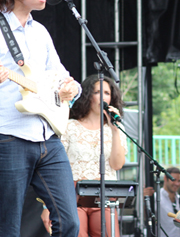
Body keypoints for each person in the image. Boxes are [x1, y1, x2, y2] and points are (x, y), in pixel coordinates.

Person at [0, 0, 81, 237]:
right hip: (9, 136)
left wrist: (72, 89)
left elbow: (62, 77)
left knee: (69, 222)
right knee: (10, 227)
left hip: (48, 138)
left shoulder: (40, 32)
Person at [40, 74, 128, 237]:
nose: (103, 97)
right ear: (87, 95)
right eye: (97, 92)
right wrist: (47, 206)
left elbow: (117, 164)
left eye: (107, 93)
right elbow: (53, 168)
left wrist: (115, 130)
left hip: (104, 194)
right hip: (72, 193)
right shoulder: (69, 126)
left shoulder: (116, 129)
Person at [143, 167, 180, 237]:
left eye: (179, 181)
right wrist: (144, 198)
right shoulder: (157, 197)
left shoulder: (179, 198)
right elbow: (146, 216)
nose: (177, 183)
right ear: (165, 178)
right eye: (173, 180)